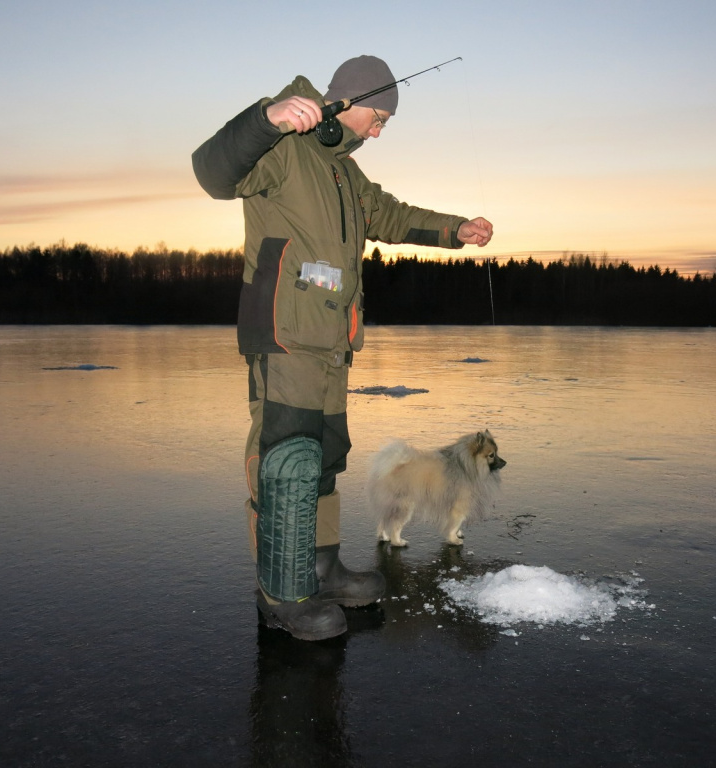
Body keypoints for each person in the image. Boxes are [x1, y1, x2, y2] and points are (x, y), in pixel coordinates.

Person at [191, 55, 493, 641]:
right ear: (351, 100)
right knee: (286, 460)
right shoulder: (283, 142)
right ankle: (282, 590)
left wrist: (456, 230)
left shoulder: (340, 171)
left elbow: (390, 215)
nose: (380, 131)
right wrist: (266, 118)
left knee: (324, 456)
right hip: (285, 337)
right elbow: (211, 173)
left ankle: (322, 565)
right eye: (378, 117)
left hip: (330, 342)